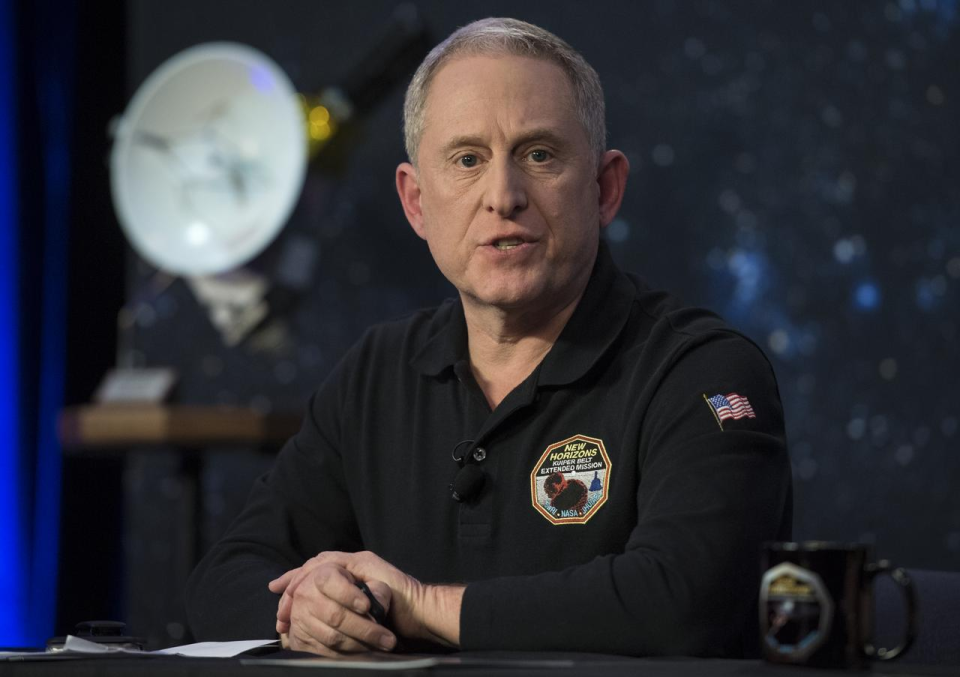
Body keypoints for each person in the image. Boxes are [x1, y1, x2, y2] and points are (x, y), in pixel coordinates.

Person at [185, 17, 792, 658]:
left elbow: (686, 600)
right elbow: (222, 581)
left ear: (605, 189)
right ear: (416, 202)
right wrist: (309, 608)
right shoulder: (375, 375)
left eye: (539, 155)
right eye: (467, 160)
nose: (503, 196)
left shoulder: (700, 371)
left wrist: (421, 606)